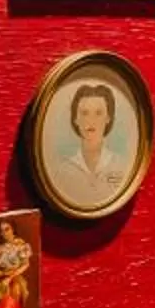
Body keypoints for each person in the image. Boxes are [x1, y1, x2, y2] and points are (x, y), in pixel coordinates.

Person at [46, 81, 132, 214]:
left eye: (98, 113)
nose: (91, 121)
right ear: (75, 118)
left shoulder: (122, 165)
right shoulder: (63, 170)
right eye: (84, 113)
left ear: (108, 118)